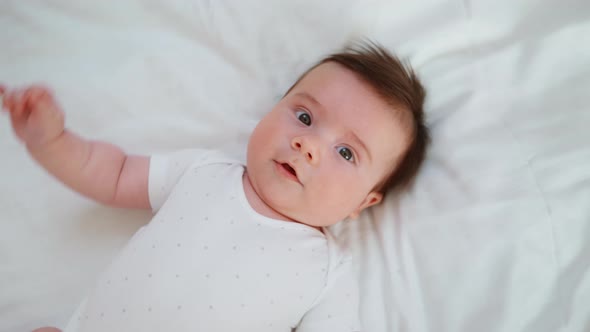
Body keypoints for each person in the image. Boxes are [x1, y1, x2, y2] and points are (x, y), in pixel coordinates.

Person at [1, 41, 429, 332]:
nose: (309, 145)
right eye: (304, 117)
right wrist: (52, 141)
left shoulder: (328, 273)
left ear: (364, 202)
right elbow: (110, 173)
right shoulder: (204, 172)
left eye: (347, 153)